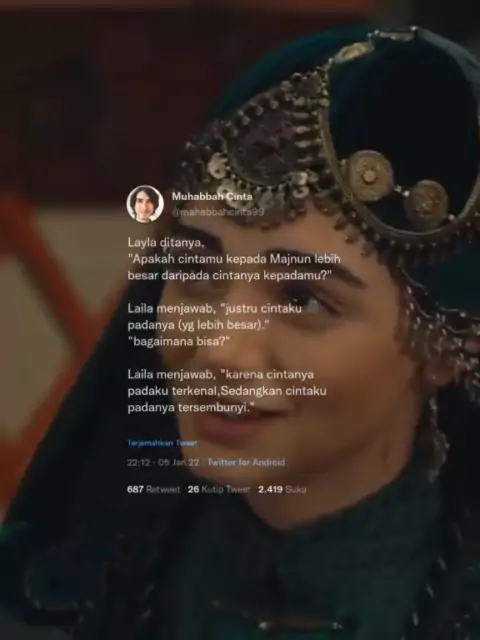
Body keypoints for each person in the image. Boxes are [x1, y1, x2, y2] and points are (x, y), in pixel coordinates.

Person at [1, 24, 480, 640]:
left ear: (446, 344)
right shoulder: (49, 597)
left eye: (303, 298)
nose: (221, 349)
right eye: (198, 273)